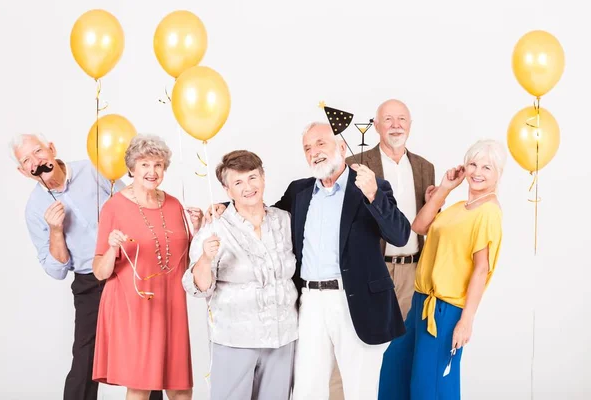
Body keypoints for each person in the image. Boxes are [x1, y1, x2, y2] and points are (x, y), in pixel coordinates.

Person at [207, 122, 410, 399]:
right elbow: (263, 213)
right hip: (310, 302)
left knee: (359, 390)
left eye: (321, 143)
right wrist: (226, 206)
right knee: (306, 389)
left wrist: (374, 195)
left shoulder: (369, 186)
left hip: (356, 302)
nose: (314, 152)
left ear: (341, 147)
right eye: (307, 148)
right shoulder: (299, 191)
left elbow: (400, 235)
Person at [12, 133, 164, 400]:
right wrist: (56, 231)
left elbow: (135, 204)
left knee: (143, 351)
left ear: (52, 148)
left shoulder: (94, 169)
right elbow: (56, 270)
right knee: (85, 359)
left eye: (38, 152)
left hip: (129, 270)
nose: (36, 162)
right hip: (89, 282)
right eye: (26, 160)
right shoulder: (35, 209)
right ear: (23, 171)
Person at [377, 139, 507, 399]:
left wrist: (465, 322)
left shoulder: (488, 213)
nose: (477, 172)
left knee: (429, 387)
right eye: (473, 164)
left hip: (446, 310)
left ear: (498, 174)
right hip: (420, 303)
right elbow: (419, 226)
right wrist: (445, 188)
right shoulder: (460, 208)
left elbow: (481, 270)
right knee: (395, 371)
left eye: (487, 167)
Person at [331, 99, 436, 399]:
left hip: (413, 271)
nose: (396, 125)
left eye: (402, 118)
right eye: (388, 119)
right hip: (371, 271)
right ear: (375, 126)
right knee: (354, 346)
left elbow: (424, 225)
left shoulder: (425, 167)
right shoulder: (356, 164)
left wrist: (435, 201)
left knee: (401, 352)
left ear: (410, 125)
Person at [182, 150, 298, 400]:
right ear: (227, 190)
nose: (248, 187)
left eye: (252, 178)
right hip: (235, 339)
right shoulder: (214, 228)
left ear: (263, 178)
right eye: (238, 182)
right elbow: (197, 287)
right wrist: (205, 258)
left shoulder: (285, 221)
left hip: (283, 337)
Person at [92, 134, 200, 400]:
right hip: (135, 306)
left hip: (172, 305)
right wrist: (113, 247)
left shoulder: (175, 204)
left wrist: (197, 231)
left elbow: (186, 259)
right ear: (131, 168)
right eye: (144, 165)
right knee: (140, 386)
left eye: (158, 165)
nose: (152, 171)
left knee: (181, 388)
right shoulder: (114, 206)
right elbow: (99, 271)